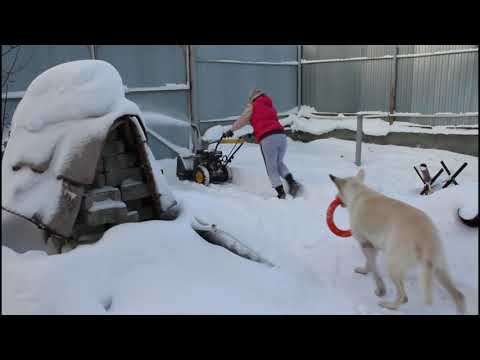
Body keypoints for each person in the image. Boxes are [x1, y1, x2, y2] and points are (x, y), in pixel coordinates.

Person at [224, 88, 301, 199]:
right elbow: (267, 121)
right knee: (279, 162)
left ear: (252, 97)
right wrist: (256, 132)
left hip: (268, 139)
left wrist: (231, 130)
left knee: (271, 168)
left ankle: (281, 193)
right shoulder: (269, 105)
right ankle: (292, 183)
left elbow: (242, 120)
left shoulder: (253, 105)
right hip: (281, 135)